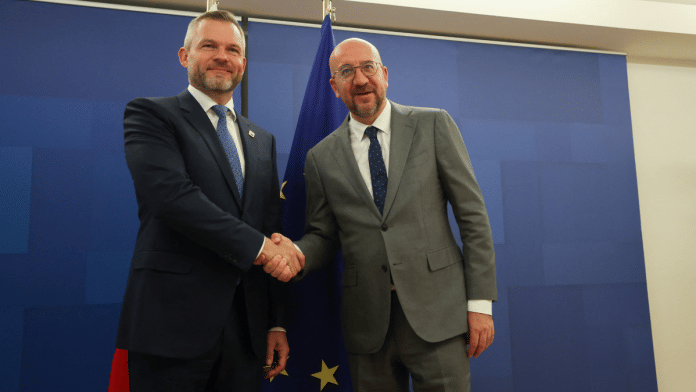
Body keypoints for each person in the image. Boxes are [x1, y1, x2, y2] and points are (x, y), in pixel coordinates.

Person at [266, 38, 497, 391]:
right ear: (334, 86)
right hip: (367, 324)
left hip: (439, 315)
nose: (359, 79)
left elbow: (473, 217)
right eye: (346, 72)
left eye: (367, 68)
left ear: (384, 74)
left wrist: (480, 303)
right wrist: (296, 253)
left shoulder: (433, 125)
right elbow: (324, 236)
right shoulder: (320, 158)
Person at [115, 10, 304, 392]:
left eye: (233, 49)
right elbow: (174, 198)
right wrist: (264, 250)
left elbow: (271, 226)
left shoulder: (261, 140)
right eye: (209, 46)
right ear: (185, 56)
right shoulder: (152, 115)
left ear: (244, 64)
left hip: (247, 333)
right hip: (171, 326)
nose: (223, 56)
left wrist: (275, 321)